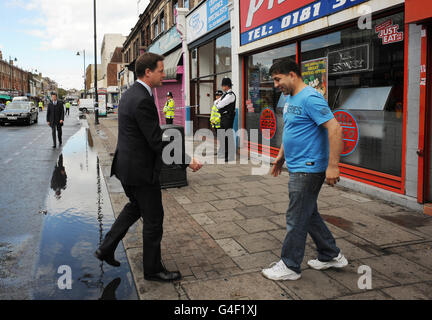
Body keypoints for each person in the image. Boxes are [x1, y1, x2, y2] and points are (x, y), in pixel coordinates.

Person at [94, 52, 202, 282]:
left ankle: (106, 248)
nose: (164, 74)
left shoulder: (130, 94)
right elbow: (155, 140)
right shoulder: (142, 99)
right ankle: (152, 270)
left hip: (127, 169)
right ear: (148, 72)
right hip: (141, 172)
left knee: (135, 208)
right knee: (154, 220)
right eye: (161, 71)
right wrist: (186, 159)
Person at [261, 58, 347, 281]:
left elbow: (335, 129)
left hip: (309, 167)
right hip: (297, 165)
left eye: (278, 79)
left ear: (292, 74)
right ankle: (330, 254)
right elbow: (291, 129)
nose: (276, 84)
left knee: (296, 216)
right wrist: (280, 157)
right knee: (307, 213)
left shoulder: (310, 97)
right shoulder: (290, 98)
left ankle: (290, 265)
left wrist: (333, 165)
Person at [215, 78, 236, 162]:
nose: (222, 87)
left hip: (228, 117)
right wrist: (217, 103)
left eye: (223, 85)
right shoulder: (225, 95)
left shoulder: (230, 95)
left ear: (226, 86)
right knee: (223, 136)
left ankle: (230, 156)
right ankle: (225, 154)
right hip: (223, 117)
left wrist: (218, 103)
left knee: (228, 137)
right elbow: (215, 102)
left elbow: (219, 105)